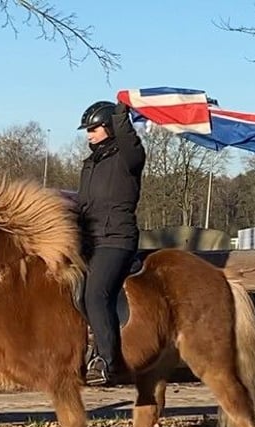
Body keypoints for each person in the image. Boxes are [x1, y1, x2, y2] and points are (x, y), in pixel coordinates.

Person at [76, 99, 146, 385]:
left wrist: (121, 114)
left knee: (96, 295)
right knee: (78, 294)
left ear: (110, 127)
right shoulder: (90, 164)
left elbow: (130, 142)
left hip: (117, 239)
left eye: (93, 128)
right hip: (92, 240)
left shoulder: (128, 158)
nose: (88, 134)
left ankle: (107, 361)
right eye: (87, 130)